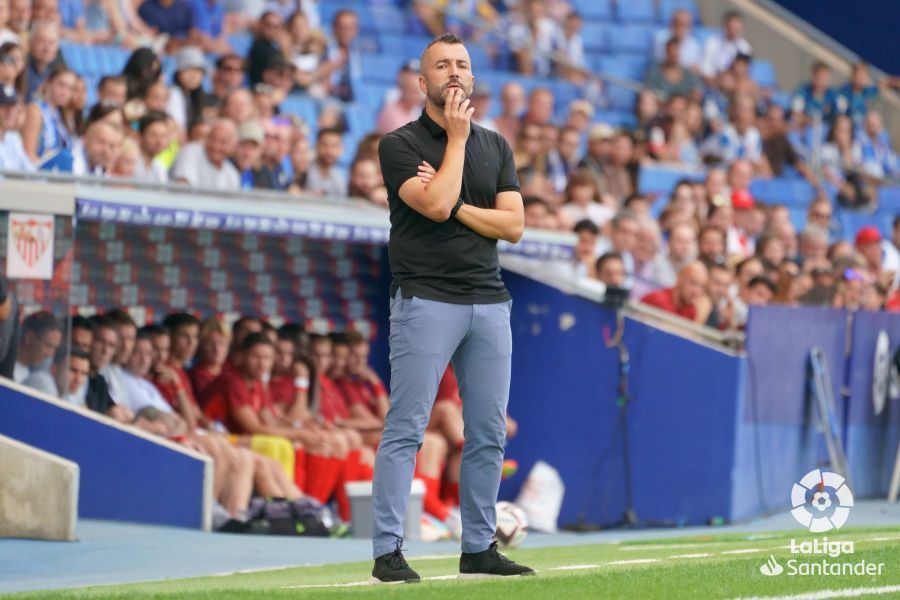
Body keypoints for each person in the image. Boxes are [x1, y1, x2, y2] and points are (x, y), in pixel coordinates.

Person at [371, 33, 532, 582]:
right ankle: (388, 550)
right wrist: (457, 143)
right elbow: (434, 207)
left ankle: (479, 546)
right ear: (423, 82)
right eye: (442, 66)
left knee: (488, 431)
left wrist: (462, 203)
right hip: (425, 298)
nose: (454, 73)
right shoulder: (399, 144)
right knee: (407, 427)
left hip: (489, 301)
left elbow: (512, 225)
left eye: (462, 64)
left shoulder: (498, 145)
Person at [172, 118, 240, 189]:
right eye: (213, 138)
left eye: (223, 142)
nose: (216, 146)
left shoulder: (232, 174)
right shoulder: (191, 151)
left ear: (233, 147)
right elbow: (182, 189)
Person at [14, 310, 62, 384]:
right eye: (48, 345)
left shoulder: (29, 373)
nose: (51, 354)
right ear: (29, 337)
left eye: (55, 348)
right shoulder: (7, 370)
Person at [700, 10, 751, 80]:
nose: (733, 31)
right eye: (731, 28)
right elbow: (706, 67)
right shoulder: (713, 41)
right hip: (713, 79)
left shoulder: (745, 48)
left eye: (736, 29)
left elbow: (743, 71)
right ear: (725, 25)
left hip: (732, 82)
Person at [303, 127, 346, 196]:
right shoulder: (304, 171)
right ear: (316, 146)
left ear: (341, 149)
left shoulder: (339, 178)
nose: (329, 150)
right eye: (324, 145)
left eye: (334, 146)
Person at [0, 83, 32, 170]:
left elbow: (30, 172)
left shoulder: (13, 138)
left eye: (13, 106)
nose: (10, 111)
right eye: (3, 106)